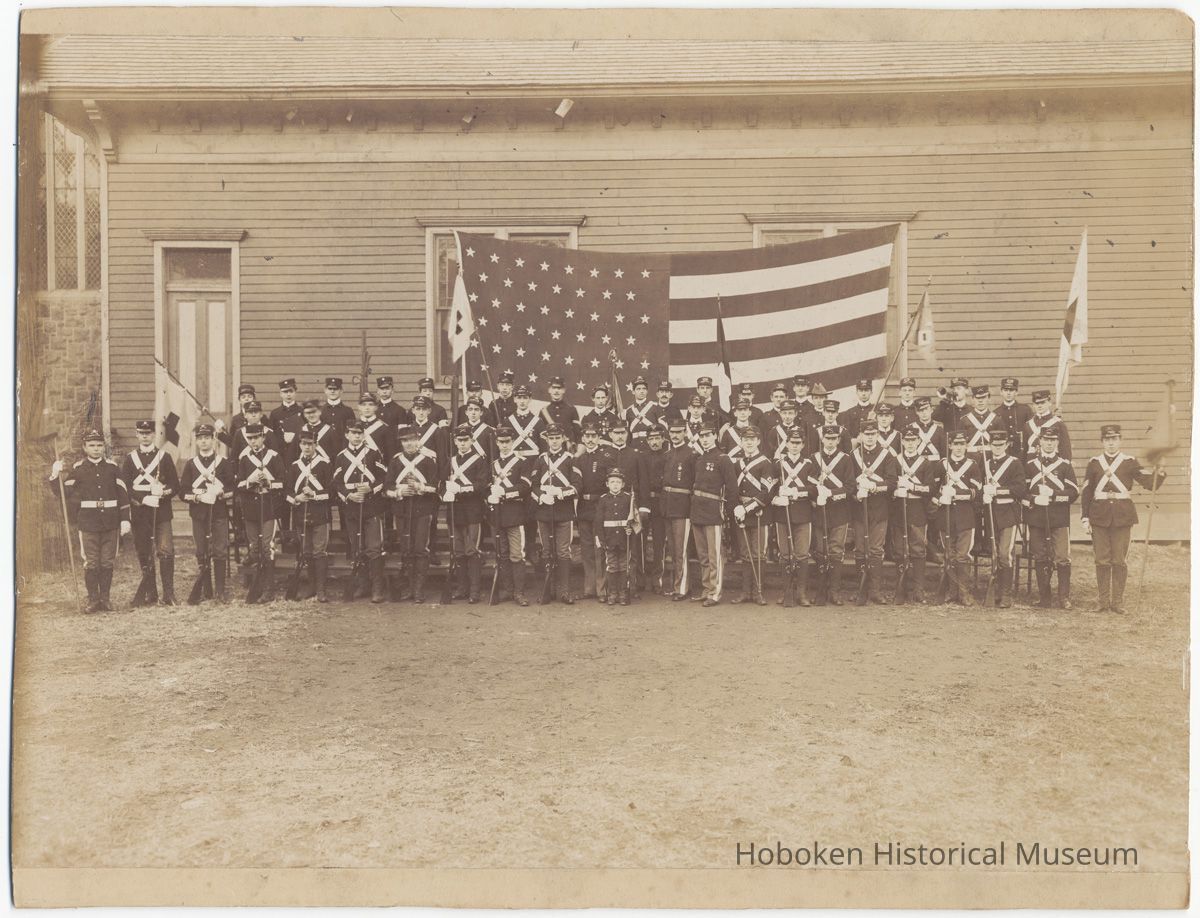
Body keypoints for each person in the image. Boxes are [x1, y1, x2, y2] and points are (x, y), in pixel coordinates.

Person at [1080, 424, 1166, 614]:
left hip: (1122, 517)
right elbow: (1087, 492)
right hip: (1099, 516)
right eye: (1107, 440)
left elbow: (1148, 483)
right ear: (1102, 442)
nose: (1111, 443)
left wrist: (1159, 472)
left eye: (1114, 439)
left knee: (1119, 560)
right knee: (1101, 560)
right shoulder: (1094, 463)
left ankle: (1117, 602)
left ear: (1120, 440)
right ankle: (1103, 602)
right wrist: (1085, 517)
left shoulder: (1129, 462)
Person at [48, 429, 130, 613]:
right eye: (92, 445)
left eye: (99, 445)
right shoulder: (79, 469)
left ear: (104, 447)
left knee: (107, 561)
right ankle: (93, 600)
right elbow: (63, 493)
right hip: (88, 523)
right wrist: (55, 475)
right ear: (85, 447)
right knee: (91, 562)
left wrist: (125, 519)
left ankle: (105, 599)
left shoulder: (113, 468)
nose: (96, 449)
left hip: (111, 522)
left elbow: (123, 495)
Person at [121, 419, 180, 607]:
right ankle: (150, 592)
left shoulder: (164, 457)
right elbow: (124, 487)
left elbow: (175, 485)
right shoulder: (130, 459)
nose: (145, 436)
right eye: (142, 433)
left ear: (154, 434)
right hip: (140, 513)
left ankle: (168, 594)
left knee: (165, 550)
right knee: (144, 551)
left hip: (161, 513)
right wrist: (143, 498)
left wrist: (163, 492)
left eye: (148, 433)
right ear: (137, 434)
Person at [179, 422, 237, 604]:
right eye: (200, 438)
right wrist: (196, 497)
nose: (204, 441)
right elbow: (183, 491)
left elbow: (232, 487)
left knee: (219, 550)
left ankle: (220, 591)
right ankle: (206, 589)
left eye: (207, 438)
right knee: (201, 551)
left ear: (213, 440)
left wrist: (222, 492)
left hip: (219, 513)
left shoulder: (223, 463)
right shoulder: (191, 464)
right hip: (199, 514)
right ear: (196, 442)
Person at [1023, 428, 1079, 609]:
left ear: (1057, 442)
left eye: (1052, 440)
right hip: (1037, 518)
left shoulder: (1064, 466)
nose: (1049, 443)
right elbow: (1022, 493)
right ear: (1040, 441)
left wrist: (1054, 494)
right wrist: (1034, 499)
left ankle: (1064, 597)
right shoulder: (1030, 465)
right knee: (1040, 556)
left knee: (1062, 557)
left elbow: (1073, 493)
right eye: (1046, 439)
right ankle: (1044, 597)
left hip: (1059, 519)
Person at [334, 420, 388, 603]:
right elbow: (337, 483)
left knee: (374, 548)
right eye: (353, 433)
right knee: (358, 548)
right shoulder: (341, 457)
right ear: (347, 435)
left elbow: (384, 478)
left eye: (359, 433)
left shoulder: (373, 454)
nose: (356, 436)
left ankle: (377, 588)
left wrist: (371, 488)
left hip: (371, 507)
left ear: (364, 435)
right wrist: (349, 495)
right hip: (352, 508)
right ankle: (363, 585)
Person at [385, 426, 441, 603]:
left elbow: (436, 487)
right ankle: (409, 587)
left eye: (412, 440)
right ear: (401, 443)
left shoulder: (428, 461)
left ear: (418, 441)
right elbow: (387, 487)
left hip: (422, 510)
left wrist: (420, 487)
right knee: (406, 548)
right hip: (402, 510)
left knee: (420, 549)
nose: (409, 444)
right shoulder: (395, 462)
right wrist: (400, 492)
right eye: (405, 440)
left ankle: (419, 590)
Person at [689, 424, 740, 607]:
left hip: (713, 511)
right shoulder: (699, 458)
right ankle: (706, 588)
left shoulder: (723, 459)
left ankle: (715, 592)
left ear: (715, 436)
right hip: (697, 510)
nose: (704, 439)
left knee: (714, 555)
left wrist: (730, 512)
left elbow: (732, 488)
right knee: (702, 555)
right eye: (701, 436)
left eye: (708, 435)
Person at [890, 425, 941, 604]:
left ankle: (919, 589)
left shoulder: (925, 463)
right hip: (899, 509)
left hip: (918, 509)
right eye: (907, 440)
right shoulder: (895, 461)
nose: (910, 443)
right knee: (899, 550)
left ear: (919, 441)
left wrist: (912, 486)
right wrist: (896, 489)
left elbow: (930, 488)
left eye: (913, 440)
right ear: (902, 442)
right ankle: (901, 589)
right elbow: (889, 483)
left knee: (918, 549)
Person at [978, 426, 1027, 608]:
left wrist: (997, 491)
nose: (997, 448)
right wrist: (983, 494)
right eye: (994, 445)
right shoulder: (985, 463)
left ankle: (1006, 594)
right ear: (990, 445)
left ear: (1006, 445)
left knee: (1005, 554)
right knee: (994, 553)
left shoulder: (1014, 463)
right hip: (991, 513)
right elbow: (979, 485)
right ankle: (996, 590)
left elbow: (1020, 489)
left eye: (1000, 444)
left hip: (1008, 514)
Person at [236, 422, 285, 603]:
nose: (253, 441)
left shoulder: (274, 457)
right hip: (251, 508)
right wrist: (251, 481)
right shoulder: (244, 459)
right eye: (250, 438)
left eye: (256, 437)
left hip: (269, 507)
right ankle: (257, 585)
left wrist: (269, 482)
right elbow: (239, 484)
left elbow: (283, 482)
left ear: (263, 437)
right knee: (254, 547)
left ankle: (269, 590)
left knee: (267, 546)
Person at [850, 419, 897, 604]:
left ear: (878, 435)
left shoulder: (887, 455)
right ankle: (860, 589)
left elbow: (892, 483)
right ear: (861, 436)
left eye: (873, 434)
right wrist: (856, 492)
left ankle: (875, 591)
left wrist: (875, 487)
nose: (869, 438)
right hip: (859, 508)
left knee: (876, 550)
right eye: (866, 434)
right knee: (860, 550)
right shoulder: (853, 456)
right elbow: (848, 482)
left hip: (879, 509)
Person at [284, 428, 334, 603]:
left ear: (316, 445)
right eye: (304, 444)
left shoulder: (325, 465)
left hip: (320, 515)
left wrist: (314, 494)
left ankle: (321, 589)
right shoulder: (294, 467)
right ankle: (311, 587)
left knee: (319, 552)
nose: (307, 447)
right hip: (301, 515)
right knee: (306, 552)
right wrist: (296, 498)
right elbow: (287, 491)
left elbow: (332, 492)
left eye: (310, 444)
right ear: (299, 445)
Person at [532, 424, 581, 604]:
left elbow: (577, 486)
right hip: (544, 512)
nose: (554, 441)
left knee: (563, 552)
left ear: (563, 438)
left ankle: (564, 592)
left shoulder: (571, 459)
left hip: (564, 512)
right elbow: (533, 485)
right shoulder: (540, 460)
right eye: (551, 438)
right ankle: (548, 590)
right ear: (547, 439)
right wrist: (542, 496)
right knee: (547, 551)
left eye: (557, 438)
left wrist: (560, 492)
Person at [444, 424, 492, 603]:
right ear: (455, 442)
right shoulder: (451, 461)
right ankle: (462, 588)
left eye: (466, 440)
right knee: (458, 552)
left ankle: (474, 591)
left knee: (472, 551)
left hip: (473, 512)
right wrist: (445, 492)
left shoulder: (479, 461)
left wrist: (460, 489)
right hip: (455, 511)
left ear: (472, 440)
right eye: (459, 440)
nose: (463, 443)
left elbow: (481, 485)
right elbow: (441, 482)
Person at [808, 424, 854, 606]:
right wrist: (815, 495)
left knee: (836, 551)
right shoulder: (813, 458)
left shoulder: (846, 459)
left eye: (834, 439)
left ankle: (834, 591)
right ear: (822, 439)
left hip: (839, 511)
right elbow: (809, 483)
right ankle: (820, 589)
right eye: (827, 438)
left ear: (838, 440)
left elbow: (850, 487)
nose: (830, 441)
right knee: (820, 551)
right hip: (819, 511)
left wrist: (832, 493)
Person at [487, 427, 533, 606]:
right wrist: (489, 496)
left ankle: (519, 592)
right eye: (501, 442)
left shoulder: (522, 462)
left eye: (507, 441)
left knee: (516, 555)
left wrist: (505, 493)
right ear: (497, 443)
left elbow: (525, 486)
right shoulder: (493, 464)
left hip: (515, 515)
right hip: (497, 515)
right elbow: (486, 486)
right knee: (502, 554)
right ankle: (507, 590)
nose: (504, 445)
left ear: (512, 442)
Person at [936, 431, 982, 606]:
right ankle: (951, 591)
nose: (958, 447)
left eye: (962, 444)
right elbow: (933, 488)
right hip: (945, 515)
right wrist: (941, 495)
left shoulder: (973, 465)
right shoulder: (942, 465)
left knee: (963, 555)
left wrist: (955, 493)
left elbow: (976, 492)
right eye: (955, 444)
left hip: (965, 516)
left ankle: (963, 593)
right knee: (949, 554)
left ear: (966, 446)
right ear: (949, 446)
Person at [771, 429, 815, 606]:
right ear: (787, 444)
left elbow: (814, 489)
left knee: (802, 554)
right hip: (783, 514)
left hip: (803, 514)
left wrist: (796, 491)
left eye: (798, 443)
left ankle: (801, 593)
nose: (795, 446)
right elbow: (770, 488)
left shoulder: (809, 465)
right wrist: (777, 497)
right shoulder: (778, 465)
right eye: (792, 443)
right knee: (785, 554)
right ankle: (786, 591)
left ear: (803, 445)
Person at [730, 426, 772, 606]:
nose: (749, 442)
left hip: (759, 512)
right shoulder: (737, 464)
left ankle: (758, 592)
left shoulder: (765, 463)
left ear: (758, 441)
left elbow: (766, 492)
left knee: (758, 554)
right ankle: (745, 592)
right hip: (741, 513)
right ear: (741, 442)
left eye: (752, 439)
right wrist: (736, 508)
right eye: (745, 439)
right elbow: (733, 489)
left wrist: (747, 508)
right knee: (745, 554)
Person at [575, 420, 617, 600]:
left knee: (600, 548)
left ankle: (602, 589)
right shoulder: (579, 459)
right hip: (583, 508)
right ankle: (589, 588)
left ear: (599, 438)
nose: (590, 439)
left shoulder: (606, 457)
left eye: (593, 436)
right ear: (583, 439)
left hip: (600, 507)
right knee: (586, 549)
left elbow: (611, 483)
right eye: (587, 436)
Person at [609, 423, 649, 598]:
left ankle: (635, 584)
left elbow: (644, 481)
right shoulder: (605, 454)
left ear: (627, 434)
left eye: (623, 433)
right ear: (610, 434)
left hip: (632, 506)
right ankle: (614, 586)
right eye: (616, 433)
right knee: (614, 547)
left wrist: (644, 506)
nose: (619, 436)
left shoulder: (636, 455)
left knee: (634, 546)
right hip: (612, 507)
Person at [660, 419, 696, 600]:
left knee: (681, 549)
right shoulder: (667, 454)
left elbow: (695, 482)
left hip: (682, 507)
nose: (674, 435)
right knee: (673, 549)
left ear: (684, 433)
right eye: (672, 432)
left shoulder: (692, 454)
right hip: (667, 506)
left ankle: (682, 588)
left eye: (678, 432)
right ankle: (677, 584)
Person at [594, 468, 639, 606]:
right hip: (609, 539)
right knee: (612, 566)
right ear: (607, 484)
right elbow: (598, 521)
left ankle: (623, 593)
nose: (615, 485)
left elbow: (633, 520)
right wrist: (601, 539)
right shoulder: (603, 499)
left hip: (624, 539)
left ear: (623, 484)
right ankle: (612, 593)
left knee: (624, 566)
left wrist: (630, 530)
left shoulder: (628, 499)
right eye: (612, 482)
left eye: (618, 482)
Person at [639, 425, 669, 595]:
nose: (654, 442)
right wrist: (642, 505)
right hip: (644, 503)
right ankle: (640, 579)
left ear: (663, 439)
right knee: (640, 542)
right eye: (651, 439)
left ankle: (657, 580)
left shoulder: (667, 456)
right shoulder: (641, 457)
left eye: (657, 438)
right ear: (647, 440)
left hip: (660, 502)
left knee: (659, 543)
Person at [1025, 389, 1072, 460]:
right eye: (1037, 403)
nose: (1039, 406)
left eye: (1043, 403)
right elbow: (1025, 450)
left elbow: (1065, 449)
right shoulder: (1028, 424)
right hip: (1032, 463)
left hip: (1052, 462)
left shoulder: (1058, 423)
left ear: (1049, 403)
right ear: (1033, 405)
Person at [293, 399, 342, 464]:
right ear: (304, 415)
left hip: (324, 468)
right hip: (304, 468)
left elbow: (336, 454)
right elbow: (293, 454)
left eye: (314, 412)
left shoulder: (330, 431)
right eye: (308, 413)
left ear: (320, 412)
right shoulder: (300, 431)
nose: (311, 415)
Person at [994, 377, 1032, 458]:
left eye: (1011, 390)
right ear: (1001, 392)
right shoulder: (996, 413)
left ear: (1016, 392)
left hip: (1023, 452)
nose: (1008, 393)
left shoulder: (1025, 410)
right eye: (1005, 390)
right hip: (1003, 453)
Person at [542, 376, 581, 445]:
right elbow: (542, 434)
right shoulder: (544, 411)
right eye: (553, 388)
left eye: (559, 388)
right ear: (549, 390)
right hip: (550, 448)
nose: (556, 391)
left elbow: (577, 433)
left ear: (564, 390)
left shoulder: (571, 410)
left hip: (568, 448)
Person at [962, 385, 996, 459]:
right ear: (972, 399)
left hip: (991, 458)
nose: (980, 401)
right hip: (971, 458)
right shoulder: (964, 420)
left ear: (988, 398)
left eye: (983, 397)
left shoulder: (996, 419)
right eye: (977, 398)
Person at [840, 379, 876, 447]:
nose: (863, 393)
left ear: (871, 392)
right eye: (861, 390)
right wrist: (855, 440)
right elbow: (846, 435)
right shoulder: (849, 413)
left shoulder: (875, 411)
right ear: (857, 392)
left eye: (866, 390)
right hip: (855, 448)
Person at [269, 378, 304, 447]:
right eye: (285, 392)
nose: (288, 394)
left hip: (298, 449)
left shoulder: (302, 411)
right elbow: (271, 435)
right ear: (280, 394)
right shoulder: (275, 413)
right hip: (280, 450)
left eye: (291, 391)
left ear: (295, 393)